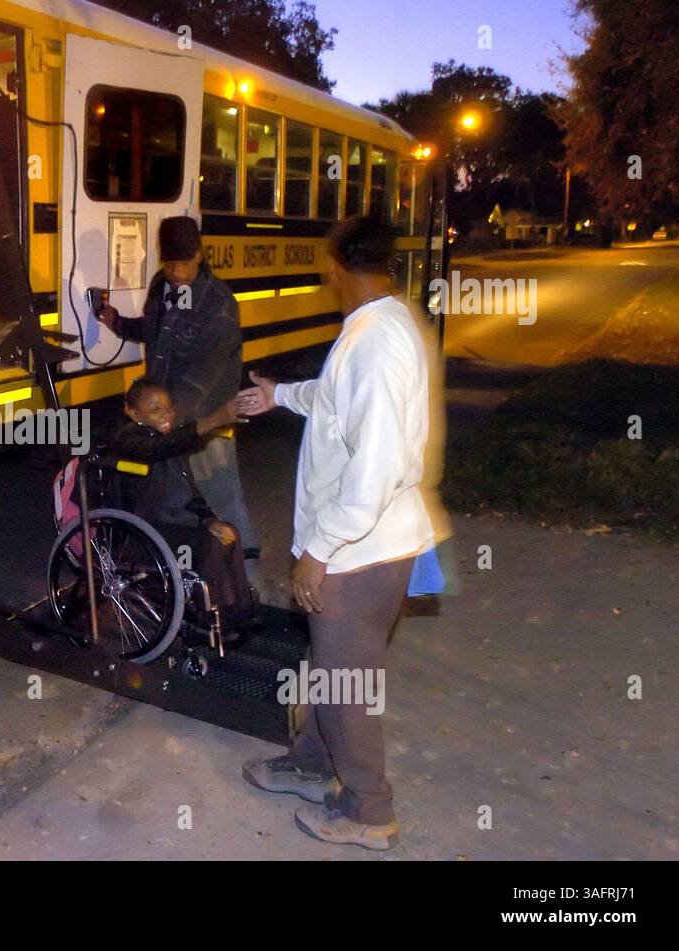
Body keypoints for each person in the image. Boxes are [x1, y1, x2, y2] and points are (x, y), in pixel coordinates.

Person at [238, 214, 439, 851]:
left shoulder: (376, 343)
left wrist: (318, 552)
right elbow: (336, 397)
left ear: (336, 263)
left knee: (344, 685)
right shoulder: (380, 323)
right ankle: (309, 763)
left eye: (325, 259)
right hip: (372, 544)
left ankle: (369, 811)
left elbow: (373, 469)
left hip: (361, 551)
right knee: (331, 670)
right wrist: (281, 396)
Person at [92, 216, 262, 586]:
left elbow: (202, 376)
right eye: (169, 264)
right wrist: (116, 322)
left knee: (220, 493)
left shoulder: (217, 303)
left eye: (183, 263)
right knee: (175, 501)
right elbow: (150, 330)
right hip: (167, 419)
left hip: (205, 418)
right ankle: (183, 579)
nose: (176, 272)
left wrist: (171, 423)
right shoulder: (161, 287)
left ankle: (249, 577)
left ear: (200, 256)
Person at [108, 377, 256, 625]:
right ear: (134, 414)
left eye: (168, 408)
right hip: (146, 530)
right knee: (210, 544)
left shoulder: (170, 445)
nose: (166, 415)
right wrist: (217, 418)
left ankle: (239, 610)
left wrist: (209, 520)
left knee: (229, 534)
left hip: (178, 523)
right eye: (155, 410)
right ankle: (210, 615)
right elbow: (159, 447)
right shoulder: (128, 440)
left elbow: (191, 494)